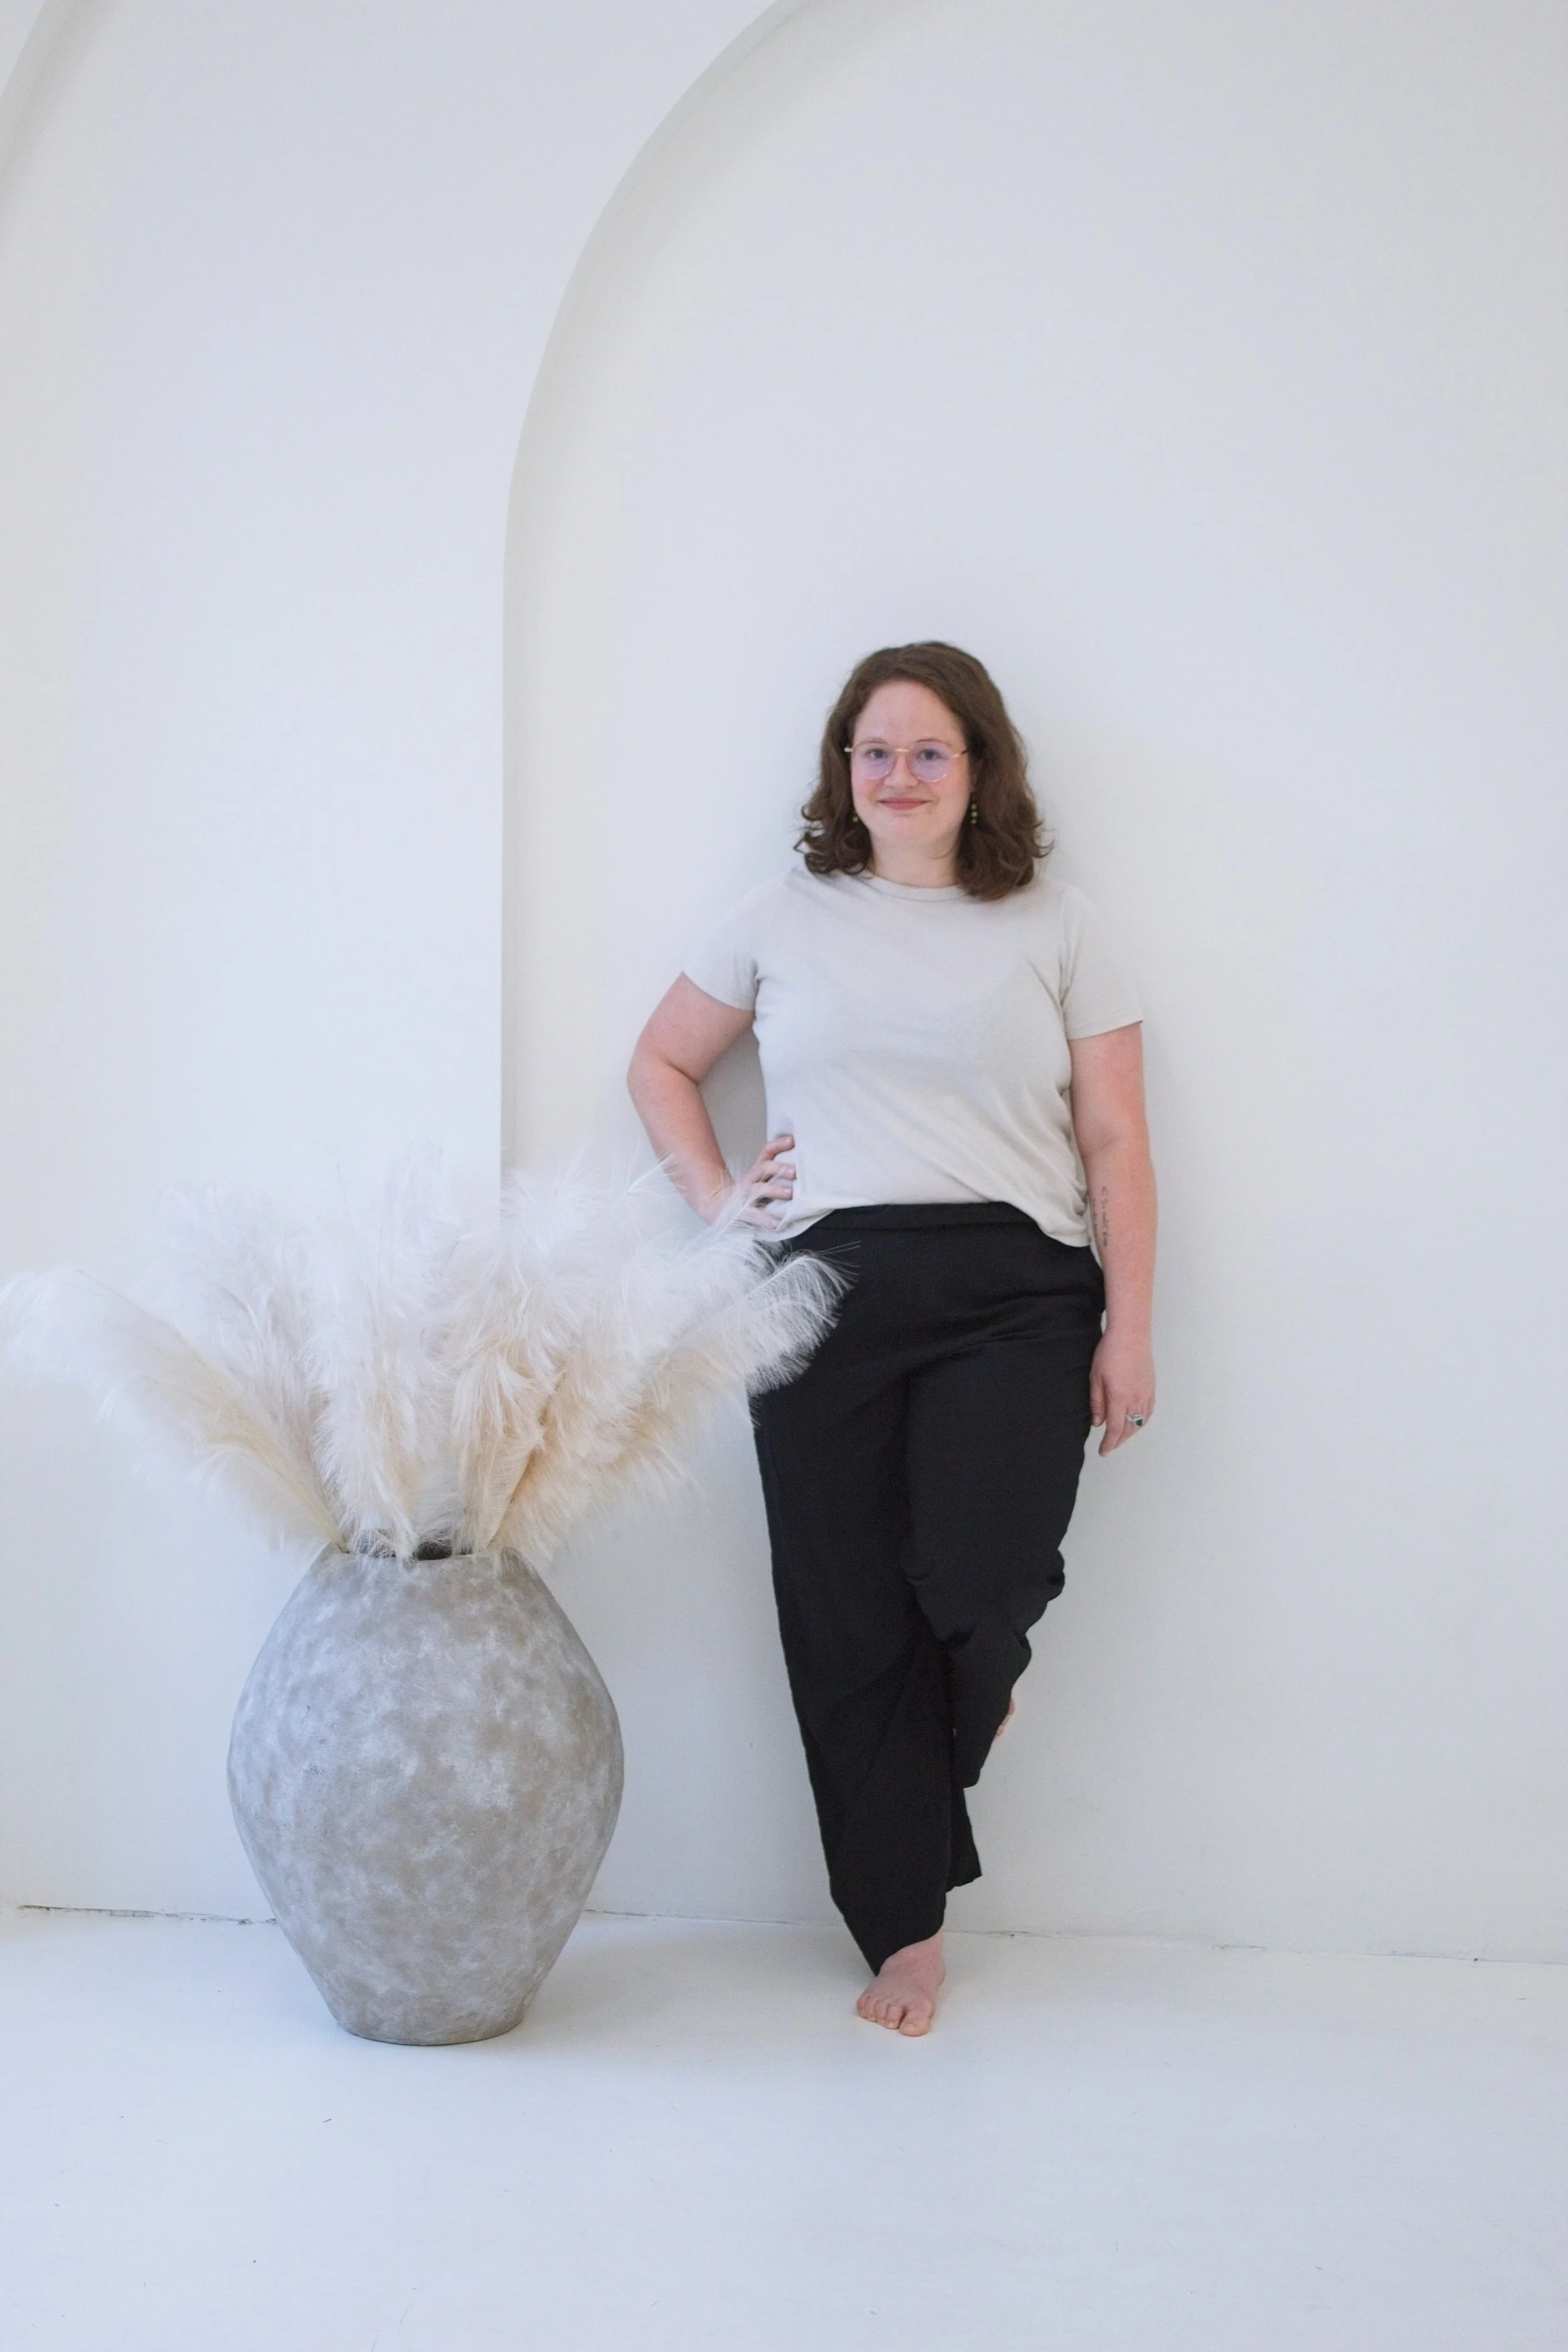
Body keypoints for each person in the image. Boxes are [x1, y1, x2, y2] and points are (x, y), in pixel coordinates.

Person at [627, 642, 1156, 2035]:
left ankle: (975, 1700)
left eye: (928, 750)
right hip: (819, 1294)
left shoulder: (1054, 921)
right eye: (874, 751)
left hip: (1016, 1289)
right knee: (846, 1616)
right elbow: (660, 1062)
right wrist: (717, 1202)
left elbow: (1114, 1138)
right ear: (841, 771)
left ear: (977, 767)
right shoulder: (780, 913)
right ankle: (904, 1933)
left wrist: (1132, 1327)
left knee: (978, 1578)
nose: (899, 774)